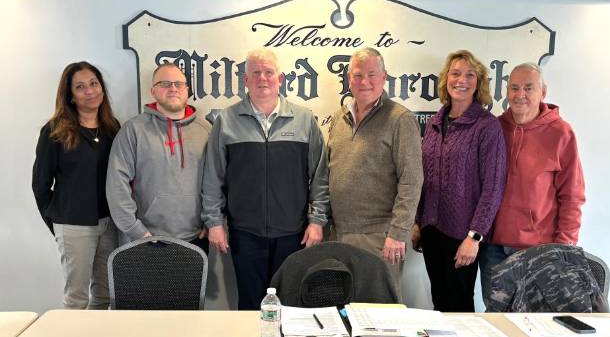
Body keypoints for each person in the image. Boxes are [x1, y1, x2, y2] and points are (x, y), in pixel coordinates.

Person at [202, 48, 329, 310]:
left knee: (290, 304)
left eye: (269, 72)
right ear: (245, 80)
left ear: (280, 78)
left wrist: (316, 221)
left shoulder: (304, 120)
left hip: (293, 233)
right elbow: (213, 177)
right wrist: (214, 222)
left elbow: (319, 177)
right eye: (256, 73)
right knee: (250, 305)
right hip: (245, 234)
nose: (263, 78)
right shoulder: (226, 121)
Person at [480, 62, 586, 302]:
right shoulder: (495, 128)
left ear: (543, 92)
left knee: (533, 321)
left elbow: (572, 195)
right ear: (506, 92)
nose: (520, 95)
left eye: (529, 88)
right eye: (514, 88)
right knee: (496, 318)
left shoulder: (561, 133)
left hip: (538, 250)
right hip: (493, 248)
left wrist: (563, 248)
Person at [411, 50, 506, 312]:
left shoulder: (487, 126)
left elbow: (493, 187)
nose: (461, 80)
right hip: (431, 229)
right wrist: (418, 222)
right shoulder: (434, 123)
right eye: (455, 73)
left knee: (459, 307)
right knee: (440, 301)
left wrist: (474, 237)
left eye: (469, 75)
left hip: (463, 235)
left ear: (479, 82)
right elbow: (423, 177)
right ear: (446, 79)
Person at [327, 47, 423, 298]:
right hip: (339, 234)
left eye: (372, 74)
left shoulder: (400, 119)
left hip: (380, 237)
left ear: (384, 77)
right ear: (349, 79)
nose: (364, 82)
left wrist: (398, 233)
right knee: (342, 306)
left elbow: (412, 180)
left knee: (379, 312)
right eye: (358, 75)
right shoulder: (339, 118)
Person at [32, 61, 120, 309]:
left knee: (104, 296)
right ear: (70, 96)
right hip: (73, 225)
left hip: (109, 225)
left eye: (94, 83)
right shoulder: (54, 131)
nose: (90, 91)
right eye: (81, 87)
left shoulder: (112, 128)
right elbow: (40, 185)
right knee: (77, 298)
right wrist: (58, 224)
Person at [106, 63, 211, 252]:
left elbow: (216, 181)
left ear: (187, 90)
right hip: (146, 240)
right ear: (153, 91)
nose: (173, 88)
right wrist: (136, 231)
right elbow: (117, 185)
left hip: (196, 239)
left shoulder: (205, 131)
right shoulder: (133, 130)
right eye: (165, 84)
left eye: (179, 84)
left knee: (193, 284)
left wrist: (210, 221)